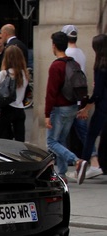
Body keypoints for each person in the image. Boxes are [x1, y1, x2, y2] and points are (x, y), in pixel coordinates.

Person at [45, 31, 89, 184]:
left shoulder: (56, 66)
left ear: (54, 46)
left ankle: (77, 161)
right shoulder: (73, 63)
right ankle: (62, 173)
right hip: (72, 107)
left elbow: (51, 92)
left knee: (51, 142)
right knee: (61, 139)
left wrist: (46, 114)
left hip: (59, 108)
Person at [62, 25, 100, 179]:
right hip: (79, 98)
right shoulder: (81, 53)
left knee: (58, 136)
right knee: (82, 132)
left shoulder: (68, 54)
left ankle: (78, 164)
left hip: (70, 99)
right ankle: (92, 161)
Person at [78, 33, 107, 176]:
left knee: (91, 135)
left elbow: (98, 92)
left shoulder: (101, 66)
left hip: (103, 107)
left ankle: (82, 164)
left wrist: (87, 106)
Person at [0, 45, 29, 141]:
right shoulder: (24, 74)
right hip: (20, 108)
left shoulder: (4, 73)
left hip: (7, 109)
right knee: (20, 139)